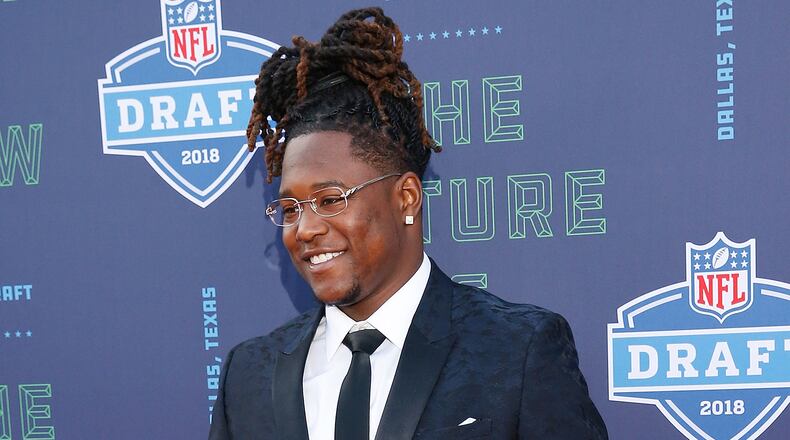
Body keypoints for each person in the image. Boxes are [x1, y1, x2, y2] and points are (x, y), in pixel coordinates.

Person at [209, 7, 607, 440]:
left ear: (406, 198)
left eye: (329, 200)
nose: (304, 229)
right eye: (289, 208)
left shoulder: (518, 352)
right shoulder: (247, 375)